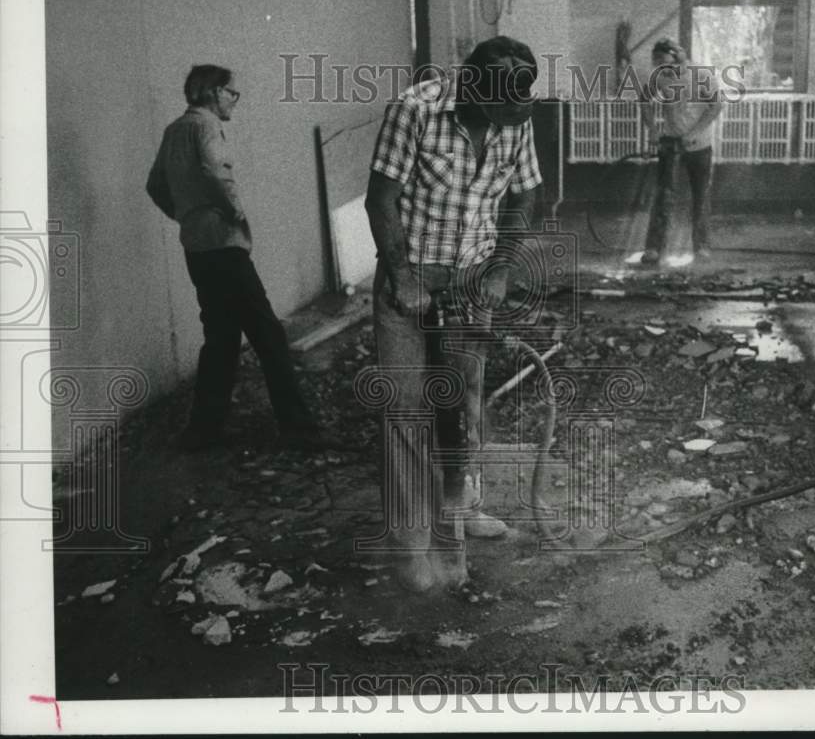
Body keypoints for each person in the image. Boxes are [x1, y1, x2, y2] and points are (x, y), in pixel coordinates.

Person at [365, 37, 542, 592]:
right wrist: (402, 275)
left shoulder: (515, 119)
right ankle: (414, 546)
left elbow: (525, 198)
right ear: (469, 87)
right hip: (411, 279)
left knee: (465, 403)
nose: (499, 123)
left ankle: (458, 512)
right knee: (407, 407)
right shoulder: (413, 110)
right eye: (491, 111)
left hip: (473, 282)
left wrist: (501, 269)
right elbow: (380, 197)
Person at [146, 64, 330, 452]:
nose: (235, 100)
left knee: (221, 339)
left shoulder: (174, 130)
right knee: (268, 334)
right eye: (232, 93)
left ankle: (202, 431)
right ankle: (298, 429)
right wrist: (232, 211)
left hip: (196, 247)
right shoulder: (206, 126)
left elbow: (155, 185)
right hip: (225, 246)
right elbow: (215, 169)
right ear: (213, 92)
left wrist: (185, 214)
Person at [640, 38, 724, 263]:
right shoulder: (660, 77)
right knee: (664, 195)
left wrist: (695, 133)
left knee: (701, 195)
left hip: (700, 146)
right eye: (657, 63)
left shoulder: (701, 76)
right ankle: (654, 248)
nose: (661, 67)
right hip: (670, 142)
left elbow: (716, 105)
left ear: (677, 56)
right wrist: (652, 130)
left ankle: (702, 246)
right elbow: (644, 101)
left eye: (664, 61)